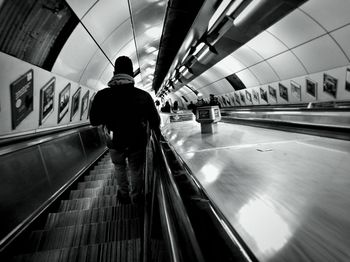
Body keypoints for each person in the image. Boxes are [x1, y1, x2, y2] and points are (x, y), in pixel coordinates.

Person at [89, 56, 161, 204]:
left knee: (119, 167)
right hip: (137, 141)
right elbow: (155, 121)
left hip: (115, 141)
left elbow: (94, 121)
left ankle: (123, 195)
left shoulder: (102, 95)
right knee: (135, 169)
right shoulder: (143, 96)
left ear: (114, 72)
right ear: (132, 73)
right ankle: (137, 197)